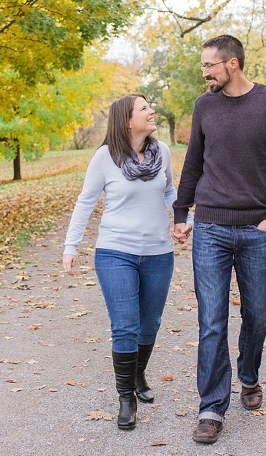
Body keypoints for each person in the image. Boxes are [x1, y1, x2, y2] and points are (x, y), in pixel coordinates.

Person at [171, 35, 266, 444]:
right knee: (211, 321)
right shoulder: (204, 106)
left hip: (257, 230)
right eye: (203, 66)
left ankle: (249, 376)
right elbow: (192, 164)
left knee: (257, 315)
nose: (204, 73)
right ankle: (211, 407)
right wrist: (181, 213)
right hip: (210, 228)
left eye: (210, 65)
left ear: (233, 64)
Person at [63, 93, 193, 431]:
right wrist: (70, 245)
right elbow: (85, 201)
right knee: (125, 325)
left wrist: (183, 218)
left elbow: (168, 191)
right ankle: (126, 397)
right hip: (115, 252)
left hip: (158, 253)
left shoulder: (161, 152)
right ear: (126, 120)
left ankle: (137, 374)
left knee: (150, 324)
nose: (152, 111)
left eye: (150, 106)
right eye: (144, 108)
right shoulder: (105, 157)